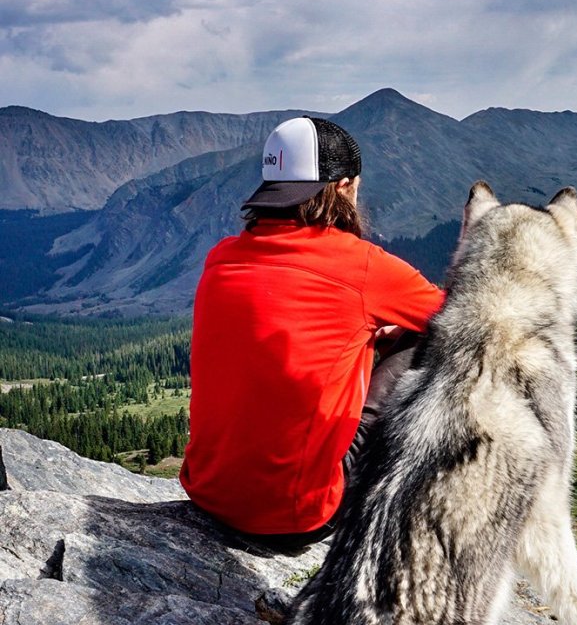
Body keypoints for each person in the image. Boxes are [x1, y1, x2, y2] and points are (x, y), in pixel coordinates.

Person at [180, 116, 444, 543]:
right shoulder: (362, 265)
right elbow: (465, 313)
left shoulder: (223, 256)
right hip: (297, 518)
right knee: (430, 338)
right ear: (343, 187)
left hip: (208, 493)